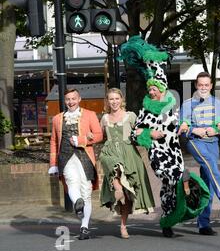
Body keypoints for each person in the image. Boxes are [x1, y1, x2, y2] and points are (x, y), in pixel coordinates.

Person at [120, 36, 210, 238]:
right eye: (149, 89)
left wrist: (185, 126)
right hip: (158, 153)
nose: (152, 92)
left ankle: (168, 220)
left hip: (174, 151)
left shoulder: (172, 108)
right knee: (170, 176)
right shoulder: (146, 111)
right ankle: (185, 185)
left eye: (155, 89)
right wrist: (149, 133)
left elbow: (184, 122)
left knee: (168, 189)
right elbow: (134, 134)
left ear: (162, 91)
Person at [178, 72, 220, 236]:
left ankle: (203, 224)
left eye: (206, 85)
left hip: (213, 144)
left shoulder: (219, 104)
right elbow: (181, 127)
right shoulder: (188, 104)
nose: (203, 87)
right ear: (196, 86)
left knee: (208, 182)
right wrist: (192, 129)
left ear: (211, 86)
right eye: (200, 85)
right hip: (195, 142)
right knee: (210, 165)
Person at [99, 88, 155, 239]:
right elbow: (100, 136)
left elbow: (141, 132)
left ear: (121, 99)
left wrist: (145, 134)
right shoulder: (104, 118)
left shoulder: (130, 116)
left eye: (117, 98)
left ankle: (123, 226)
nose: (114, 102)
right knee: (113, 165)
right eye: (111, 99)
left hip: (129, 154)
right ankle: (117, 187)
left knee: (128, 195)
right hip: (110, 152)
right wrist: (89, 136)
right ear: (107, 101)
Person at [49, 88, 103, 240]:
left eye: (73, 99)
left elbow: (99, 135)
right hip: (65, 157)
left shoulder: (90, 115)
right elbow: (53, 142)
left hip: (85, 156)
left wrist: (83, 140)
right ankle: (77, 202)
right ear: (65, 101)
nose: (71, 102)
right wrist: (53, 164)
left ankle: (84, 226)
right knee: (71, 183)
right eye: (68, 99)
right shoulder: (57, 119)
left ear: (79, 99)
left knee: (86, 190)